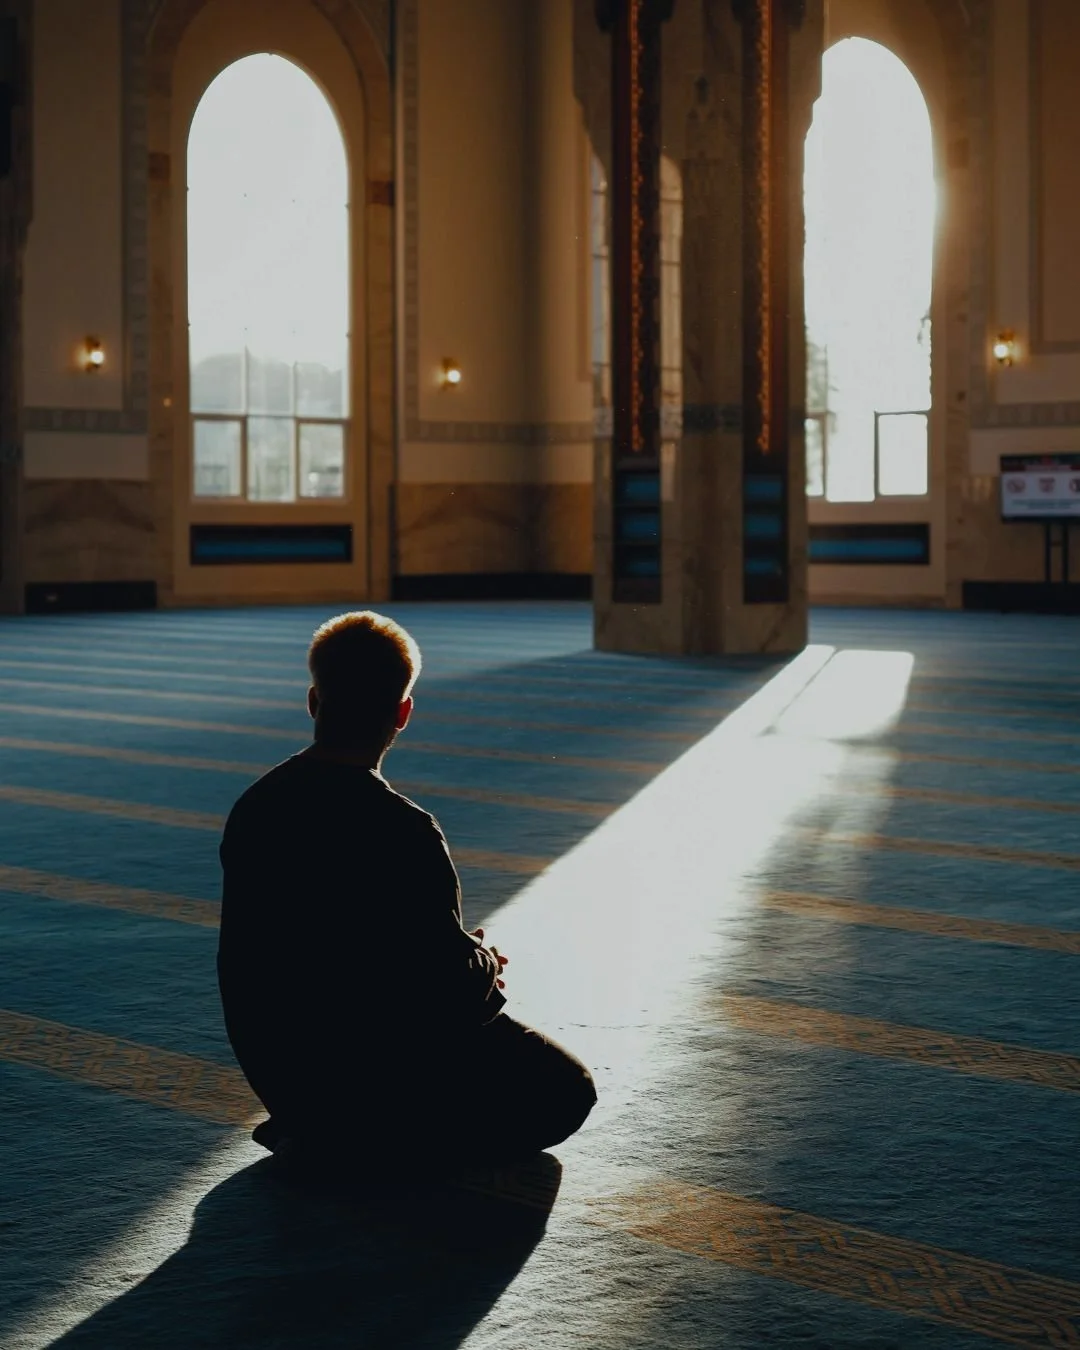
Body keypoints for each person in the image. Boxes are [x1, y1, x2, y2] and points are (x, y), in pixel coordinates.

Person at [217, 609, 597, 1175]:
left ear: (314, 702)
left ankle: (318, 1131)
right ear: (403, 713)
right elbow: (441, 991)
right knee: (567, 1090)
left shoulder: (256, 806)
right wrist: (481, 961)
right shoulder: (405, 829)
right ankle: (373, 1144)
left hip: (284, 1074)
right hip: (376, 1079)